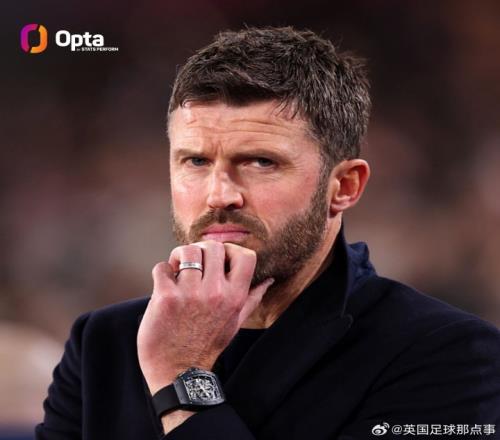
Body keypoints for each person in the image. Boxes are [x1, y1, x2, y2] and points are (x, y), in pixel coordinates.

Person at [36, 27, 500, 440]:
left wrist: (182, 376)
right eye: (195, 161)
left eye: (261, 162)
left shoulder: (450, 354)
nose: (219, 195)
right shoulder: (103, 342)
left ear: (344, 186)